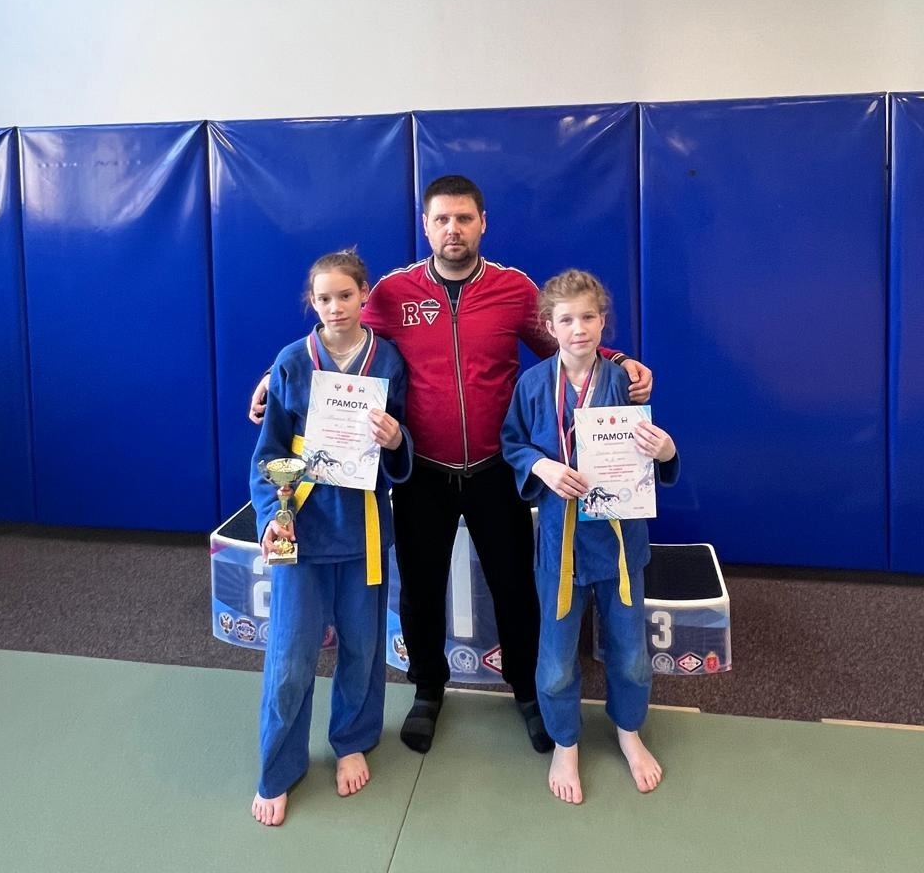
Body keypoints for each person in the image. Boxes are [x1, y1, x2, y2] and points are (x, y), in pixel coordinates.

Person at [250, 176, 652, 757]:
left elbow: (566, 341)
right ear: (426, 225)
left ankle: (527, 691)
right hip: (422, 470)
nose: (453, 229)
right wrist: (273, 375)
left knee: (515, 587)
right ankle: (427, 690)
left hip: (496, 467)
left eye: (464, 218)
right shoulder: (394, 292)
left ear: (482, 222)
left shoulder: (513, 289)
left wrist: (623, 361)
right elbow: (336, 328)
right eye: (441, 219)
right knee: (420, 588)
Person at [500, 269, 679, 806]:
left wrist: (667, 450)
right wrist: (543, 467)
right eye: (567, 319)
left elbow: (650, 451)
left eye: (588, 317)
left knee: (630, 654)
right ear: (548, 326)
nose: (578, 329)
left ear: (604, 322)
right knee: (556, 661)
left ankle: (629, 731)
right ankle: (565, 742)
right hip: (560, 545)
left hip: (621, 542)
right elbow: (512, 443)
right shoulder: (533, 385)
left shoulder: (627, 381)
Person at [249, 250, 412, 827]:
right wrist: (270, 515)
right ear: (311, 303)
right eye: (324, 298)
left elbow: (403, 442)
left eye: (345, 295)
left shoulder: (387, 359)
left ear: (365, 294)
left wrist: (396, 439)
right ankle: (278, 768)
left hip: (362, 527)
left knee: (363, 649)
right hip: (301, 526)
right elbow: (269, 452)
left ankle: (351, 741)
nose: (336, 307)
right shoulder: (292, 361)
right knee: (291, 658)